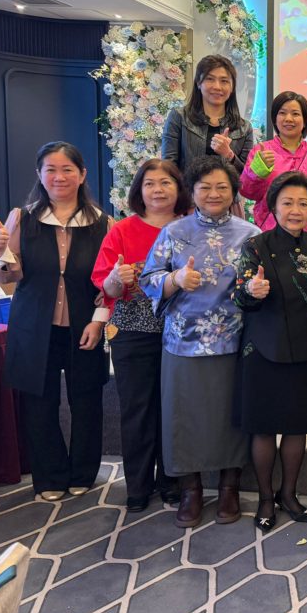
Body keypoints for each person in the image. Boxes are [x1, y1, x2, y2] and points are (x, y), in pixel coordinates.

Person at [0, 142, 112, 501]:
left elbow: (107, 283)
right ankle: (50, 476)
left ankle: (83, 472)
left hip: (84, 327)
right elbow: (10, 276)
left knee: (86, 401)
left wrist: (99, 321)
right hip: (33, 326)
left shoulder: (103, 223)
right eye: (51, 169)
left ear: (82, 174)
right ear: (39, 175)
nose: (59, 177)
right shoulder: (21, 218)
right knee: (38, 403)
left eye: (67, 169)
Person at [140, 156, 260, 528]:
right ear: (191, 192)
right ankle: (190, 490)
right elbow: (148, 279)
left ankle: (229, 487)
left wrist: (256, 289)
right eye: (204, 187)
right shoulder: (173, 232)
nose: (213, 194)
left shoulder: (250, 234)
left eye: (222, 187)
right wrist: (174, 280)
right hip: (182, 341)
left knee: (230, 417)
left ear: (234, 192)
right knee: (183, 416)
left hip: (234, 341)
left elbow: (260, 285)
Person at [233, 172, 307, 533]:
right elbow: (240, 294)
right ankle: (264, 498)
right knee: (263, 429)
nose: (295, 210)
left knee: (297, 427)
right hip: (262, 349)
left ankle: (288, 495)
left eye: (303, 203)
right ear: (273, 207)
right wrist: (252, 291)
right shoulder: (255, 246)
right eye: (287, 202)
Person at [91, 159, 190, 512]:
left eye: (166, 182)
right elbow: (105, 286)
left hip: (181, 332)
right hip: (132, 330)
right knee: (137, 409)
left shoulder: (191, 227)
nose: (158, 190)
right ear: (139, 190)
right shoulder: (121, 230)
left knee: (174, 409)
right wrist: (117, 279)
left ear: (179, 188)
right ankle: (137, 484)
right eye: (149, 183)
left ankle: (171, 481)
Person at [239, 91, 307, 236]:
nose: (288, 119)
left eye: (295, 114)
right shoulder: (261, 152)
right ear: (275, 119)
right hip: (270, 234)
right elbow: (247, 192)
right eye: (282, 113)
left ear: (305, 120)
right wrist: (258, 171)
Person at [161, 54, 253, 178]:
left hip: (226, 191)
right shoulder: (179, 117)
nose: (217, 87)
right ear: (199, 83)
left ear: (232, 87)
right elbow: (168, 168)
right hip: (187, 190)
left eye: (224, 81)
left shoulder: (244, 128)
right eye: (210, 79)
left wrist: (229, 155)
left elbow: (247, 177)